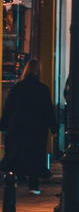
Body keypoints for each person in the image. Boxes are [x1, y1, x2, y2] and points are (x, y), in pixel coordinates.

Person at [0, 59, 57, 194]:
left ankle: (12, 181)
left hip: (18, 125)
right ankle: (33, 185)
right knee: (35, 156)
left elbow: (8, 108)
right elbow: (48, 110)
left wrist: (3, 125)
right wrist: (53, 129)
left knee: (15, 153)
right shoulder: (43, 88)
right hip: (37, 127)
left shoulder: (17, 87)